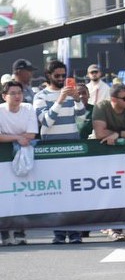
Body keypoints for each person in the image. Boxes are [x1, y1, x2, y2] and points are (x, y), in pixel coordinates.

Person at [35, 60, 90, 244]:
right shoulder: (40, 96)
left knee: (73, 192)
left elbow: (82, 118)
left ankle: (74, 232)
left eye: (63, 75)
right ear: (48, 75)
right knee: (56, 193)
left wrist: (77, 100)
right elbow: (46, 121)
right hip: (51, 149)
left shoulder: (71, 93)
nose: (60, 79)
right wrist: (60, 100)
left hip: (71, 147)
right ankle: (58, 232)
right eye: (57, 76)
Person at [0, 79, 38, 246]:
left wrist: (12, 137)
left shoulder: (28, 108)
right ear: (4, 96)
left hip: (24, 154)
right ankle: (4, 234)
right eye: (13, 93)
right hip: (3, 156)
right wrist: (17, 137)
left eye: (19, 93)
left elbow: (31, 134)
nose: (17, 96)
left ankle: (20, 232)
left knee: (22, 193)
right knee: (4, 195)